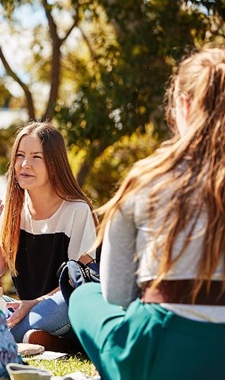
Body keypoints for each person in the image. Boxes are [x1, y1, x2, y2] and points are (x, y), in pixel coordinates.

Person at [69, 46, 225, 379]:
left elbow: (116, 294)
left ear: (183, 104)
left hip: (163, 348)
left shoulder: (149, 176)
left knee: (84, 295)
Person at [0, 121, 97, 351]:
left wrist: (33, 304)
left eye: (36, 157)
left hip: (62, 306)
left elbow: (77, 282)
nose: (24, 164)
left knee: (64, 303)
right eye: (20, 155)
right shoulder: (14, 210)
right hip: (27, 309)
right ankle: (40, 339)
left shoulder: (76, 210)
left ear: (54, 164)